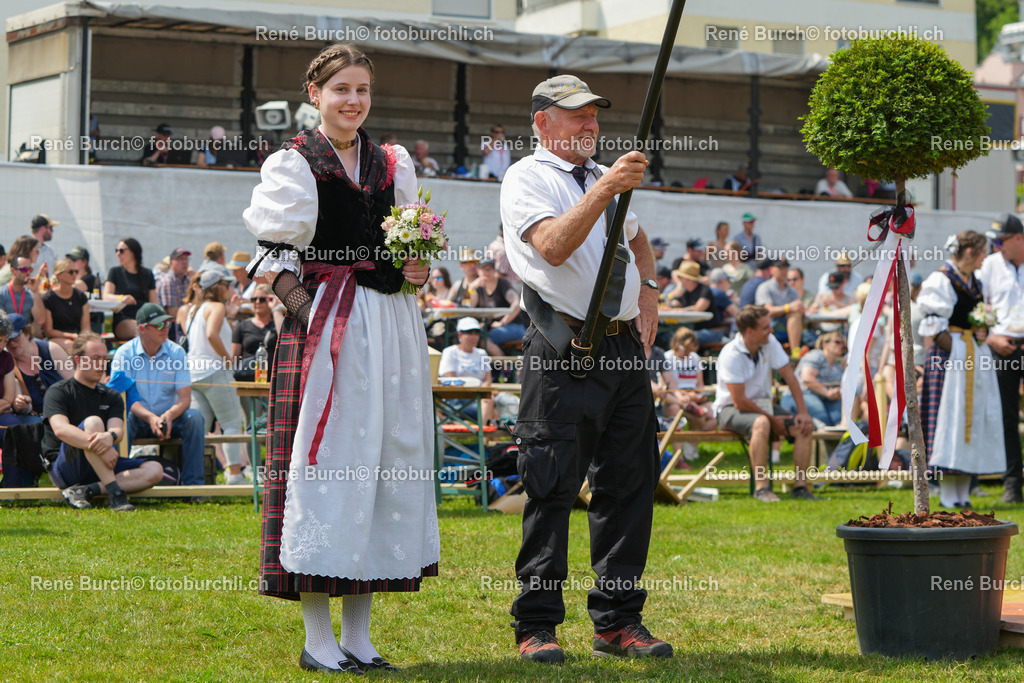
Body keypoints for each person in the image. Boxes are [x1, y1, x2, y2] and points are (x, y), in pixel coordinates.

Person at [242, 42, 438, 674]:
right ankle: (317, 638)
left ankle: (358, 636)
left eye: (362, 90)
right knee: (325, 472)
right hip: (328, 333)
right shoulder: (296, 163)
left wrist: (416, 269)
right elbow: (275, 261)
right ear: (315, 94)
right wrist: (316, 318)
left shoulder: (392, 163)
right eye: (341, 89)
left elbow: (409, 253)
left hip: (390, 328)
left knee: (379, 468)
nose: (353, 101)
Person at [500, 73, 672, 663]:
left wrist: (648, 291)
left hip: (622, 351)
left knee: (629, 486)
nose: (591, 124)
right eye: (577, 115)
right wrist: (606, 188)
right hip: (563, 347)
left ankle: (618, 622)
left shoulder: (602, 175)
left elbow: (639, 240)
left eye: (594, 114)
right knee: (551, 487)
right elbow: (552, 245)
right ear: (542, 122)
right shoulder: (527, 177)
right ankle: (536, 626)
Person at [921, 230, 1005, 508]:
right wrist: (958, 351)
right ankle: (948, 494)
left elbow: (976, 321)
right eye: (983, 253)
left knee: (972, 417)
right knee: (950, 418)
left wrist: (980, 332)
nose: (985, 258)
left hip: (972, 356)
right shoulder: (942, 279)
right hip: (950, 360)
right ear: (969, 252)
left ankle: (963, 494)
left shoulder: (974, 281)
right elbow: (934, 326)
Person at [46, 333, 164, 511]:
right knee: (94, 422)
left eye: (104, 359)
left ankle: (87, 491)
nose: (101, 364)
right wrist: (105, 447)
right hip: (68, 467)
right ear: (78, 360)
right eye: (95, 359)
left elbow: (117, 431)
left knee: (155, 469)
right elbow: (61, 429)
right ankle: (115, 493)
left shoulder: (112, 396)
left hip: (103, 464)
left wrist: (110, 437)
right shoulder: (59, 391)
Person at [714, 305, 816, 501]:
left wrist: (803, 413)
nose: (771, 330)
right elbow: (739, 401)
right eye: (765, 327)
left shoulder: (770, 342)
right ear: (750, 331)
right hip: (729, 409)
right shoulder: (730, 354)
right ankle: (762, 489)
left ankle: (800, 488)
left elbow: (791, 378)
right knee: (761, 423)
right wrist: (772, 419)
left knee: (803, 426)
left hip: (763, 407)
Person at [110, 303, 206, 486]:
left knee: (195, 418)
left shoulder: (177, 352)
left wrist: (169, 415)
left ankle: (194, 487)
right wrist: (151, 418)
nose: (165, 329)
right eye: (159, 325)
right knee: (123, 419)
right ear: (142, 329)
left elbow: (185, 398)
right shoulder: (124, 354)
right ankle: (119, 483)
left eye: (168, 324)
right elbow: (122, 398)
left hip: (169, 418)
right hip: (137, 417)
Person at [182, 269, 249, 485]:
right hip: (214, 371)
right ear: (216, 286)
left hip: (194, 373)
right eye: (226, 284)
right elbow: (211, 334)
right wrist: (228, 359)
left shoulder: (194, 309)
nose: (229, 288)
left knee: (200, 429)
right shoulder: (217, 307)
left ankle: (195, 477)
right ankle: (235, 475)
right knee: (232, 423)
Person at [6, 312, 72, 419]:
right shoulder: (8, 363)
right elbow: (22, 409)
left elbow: (73, 384)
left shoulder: (51, 349)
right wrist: (22, 404)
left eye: (15, 338)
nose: (11, 343)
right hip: (38, 418)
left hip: (67, 411)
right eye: (7, 340)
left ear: (27, 333)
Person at [780, 331, 846, 426]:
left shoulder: (838, 365)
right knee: (823, 419)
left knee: (838, 419)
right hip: (801, 394)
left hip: (822, 399)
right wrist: (827, 393)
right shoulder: (816, 355)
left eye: (843, 343)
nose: (841, 345)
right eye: (837, 342)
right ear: (825, 344)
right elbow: (807, 378)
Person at [438, 317, 495, 424]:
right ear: (460, 335)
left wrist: (480, 393)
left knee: (491, 408)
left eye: (476, 333)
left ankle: (481, 433)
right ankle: (480, 434)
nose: (474, 336)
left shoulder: (482, 353)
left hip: (477, 399)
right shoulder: (450, 352)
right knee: (493, 412)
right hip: (455, 399)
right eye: (469, 333)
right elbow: (449, 378)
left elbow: (488, 379)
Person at [470, 257, 529, 356]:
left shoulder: (502, 284)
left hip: (513, 326)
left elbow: (516, 304)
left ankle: (504, 365)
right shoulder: (479, 288)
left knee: (484, 341)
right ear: (478, 271)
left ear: (494, 270)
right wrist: (471, 289)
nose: (486, 273)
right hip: (491, 328)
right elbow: (471, 307)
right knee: (471, 336)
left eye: (489, 269)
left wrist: (502, 322)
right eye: (484, 270)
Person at [104, 238, 157, 341]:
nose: (118, 254)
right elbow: (106, 296)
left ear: (133, 252)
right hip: (123, 319)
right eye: (116, 251)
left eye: (121, 251)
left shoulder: (147, 274)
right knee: (142, 330)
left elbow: (153, 303)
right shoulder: (115, 272)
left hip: (146, 318)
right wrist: (121, 298)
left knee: (160, 330)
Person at [755, 258, 805, 357]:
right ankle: (795, 352)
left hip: (788, 326)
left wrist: (802, 308)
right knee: (794, 314)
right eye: (780, 267)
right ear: (771, 269)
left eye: (786, 267)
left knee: (796, 315)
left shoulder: (792, 290)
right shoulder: (765, 287)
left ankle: (795, 352)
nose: (784, 271)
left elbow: (797, 307)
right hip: (770, 325)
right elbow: (767, 311)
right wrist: (788, 308)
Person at [667, 261, 723, 346]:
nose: (678, 279)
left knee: (682, 339)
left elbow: (698, 308)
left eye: (680, 277)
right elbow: (673, 305)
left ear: (688, 279)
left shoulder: (704, 289)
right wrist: (670, 296)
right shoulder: (684, 291)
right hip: (693, 331)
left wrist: (678, 309)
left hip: (711, 332)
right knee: (669, 337)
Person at [41, 259, 90, 352]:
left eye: (76, 271)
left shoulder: (81, 296)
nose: (74, 274)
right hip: (56, 339)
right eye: (71, 272)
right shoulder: (48, 298)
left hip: (77, 338)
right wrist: (71, 336)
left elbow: (86, 327)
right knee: (72, 347)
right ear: (59, 275)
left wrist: (83, 338)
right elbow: (49, 331)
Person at [0, 256, 46, 335]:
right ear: (13, 271)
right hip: (7, 336)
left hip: (26, 336)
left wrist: (35, 292)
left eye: (30, 270)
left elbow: (41, 320)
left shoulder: (30, 293)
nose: (28, 273)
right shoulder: (2, 293)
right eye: (24, 269)